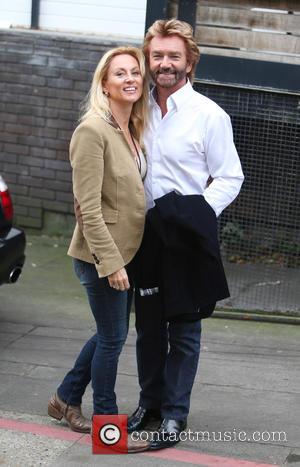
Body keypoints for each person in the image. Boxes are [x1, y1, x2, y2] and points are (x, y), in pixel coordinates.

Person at [127, 19, 244, 450]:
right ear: (148, 59)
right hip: (144, 234)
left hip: (187, 234)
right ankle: (150, 404)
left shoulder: (210, 115)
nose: (165, 64)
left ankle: (175, 415)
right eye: (157, 55)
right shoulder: (135, 107)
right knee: (149, 327)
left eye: (174, 56)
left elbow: (230, 177)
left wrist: (194, 213)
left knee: (186, 331)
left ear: (190, 61)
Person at [47, 46, 150, 453]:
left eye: (135, 72)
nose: (130, 78)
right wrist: (111, 263)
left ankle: (64, 398)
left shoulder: (130, 127)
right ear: (104, 84)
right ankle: (109, 432)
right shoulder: (92, 130)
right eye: (120, 73)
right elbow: (87, 207)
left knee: (110, 334)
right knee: (112, 339)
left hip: (126, 253)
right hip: (100, 257)